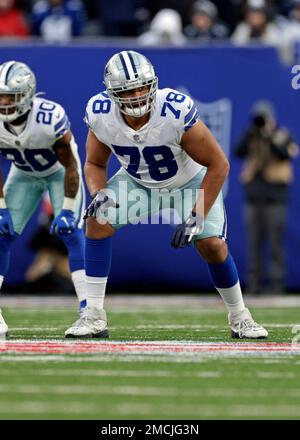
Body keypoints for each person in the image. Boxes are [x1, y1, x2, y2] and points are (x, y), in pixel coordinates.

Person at [65, 50, 268, 339]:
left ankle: (240, 316)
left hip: (188, 180)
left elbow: (219, 164)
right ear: (111, 93)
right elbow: (95, 163)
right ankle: (93, 315)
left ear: (153, 84)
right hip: (138, 182)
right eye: (127, 90)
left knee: (211, 245)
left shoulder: (174, 110)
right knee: (97, 219)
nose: (136, 95)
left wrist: (197, 215)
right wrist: (98, 192)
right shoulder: (100, 112)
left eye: (141, 87)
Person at [0, 61, 87, 337]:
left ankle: (90, 311)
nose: (3, 103)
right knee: (1, 235)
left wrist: (68, 208)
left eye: (9, 97)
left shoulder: (49, 118)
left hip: (58, 173)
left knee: (71, 232)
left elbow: (71, 165)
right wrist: (1, 208)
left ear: (26, 95)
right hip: (23, 174)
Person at [235, 101, 298, 294]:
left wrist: (270, 136)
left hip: (275, 197)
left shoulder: (283, 135)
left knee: (275, 243)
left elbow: (284, 155)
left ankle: (276, 283)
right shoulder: (251, 135)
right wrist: (250, 133)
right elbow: (238, 152)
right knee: (254, 243)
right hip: (254, 197)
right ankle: (254, 283)